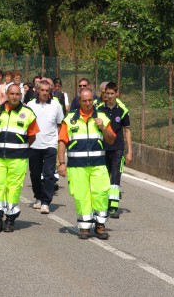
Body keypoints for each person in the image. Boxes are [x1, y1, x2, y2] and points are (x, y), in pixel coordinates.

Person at [57, 88, 116, 240]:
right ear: (79, 101)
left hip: (98, 164)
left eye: (90, 100)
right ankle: (84, 226)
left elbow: (111, 139)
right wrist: (61, 163)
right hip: (77, 166)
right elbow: (62, 142)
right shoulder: (69, 119)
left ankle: (100, 225)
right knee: (81, 195)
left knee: (101, 193)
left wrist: (102, 127)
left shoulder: (102, 117)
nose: (88, 103)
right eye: (84, 100)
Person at [0, 84, 39, 233]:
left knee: (14, 188)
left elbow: (32, 136)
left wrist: (19, 148)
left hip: (18, 158)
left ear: (21, 95)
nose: (14, 96)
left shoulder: (28, 113)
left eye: (17, 94)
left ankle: (10, 219)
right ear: (7, 94)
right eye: (12, 94)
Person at [27, 80, 64, 214]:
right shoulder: (30, 105)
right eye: (41, 90)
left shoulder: (56, 105)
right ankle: (38, 196)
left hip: (50, 145)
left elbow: (60, 123)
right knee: (35, 174)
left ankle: (46, 202)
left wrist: (56, 140)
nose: (44, 93)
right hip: (34, 144)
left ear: (50, 92)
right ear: (37, 90)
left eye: (46, 91)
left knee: (49, 175)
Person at [97, 82, 132, 219]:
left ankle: (113, 206)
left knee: (115, 175)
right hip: (103, 148)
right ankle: (103, 203)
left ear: (117, 94)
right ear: (104, 94)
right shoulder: (99, 109)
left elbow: (127, 131)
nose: (110, 96)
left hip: (117, 148)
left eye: (112, 93)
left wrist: (130, 151)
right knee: (103, 176)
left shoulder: (122, 111)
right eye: (107, 93)